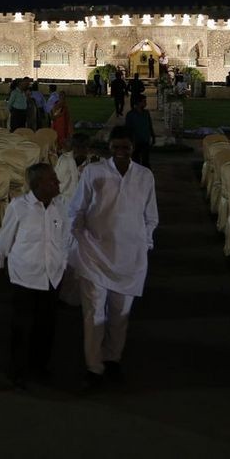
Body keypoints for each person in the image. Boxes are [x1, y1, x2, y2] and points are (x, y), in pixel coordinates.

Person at [70, 126, 158, 389]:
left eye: (125, 148)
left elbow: (150, 216)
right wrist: (75, 244)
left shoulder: (144, 176)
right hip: (94, 253)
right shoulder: (93, 172)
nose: (121, 152)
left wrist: (145, 243)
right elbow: (76, 210)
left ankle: (113, 359)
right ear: (108, 147)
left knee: (120, 314)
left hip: (129, 257)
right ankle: (94, 367)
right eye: (116, 147)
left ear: (133, 148)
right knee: (94, 314)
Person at [0, 162, 70, 388]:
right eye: (52, 179)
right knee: (22, 326)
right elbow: (5, 237)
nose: (57, 182)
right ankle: (18, 369)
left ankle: (40, 366)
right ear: (38, 185)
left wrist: (63, 263)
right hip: (25, 276)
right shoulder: (19, 207)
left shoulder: (61, 206)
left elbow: (65, 238)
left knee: (46, 326)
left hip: (51, 276)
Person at [55, 133, 94, 203]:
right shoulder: (65, 160)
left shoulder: (90, 161)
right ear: (75, 147)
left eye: (88, 147)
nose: (88, 150)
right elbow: (58, 184)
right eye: (84, 147)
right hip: (65, 201)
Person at [124, 95, 155, 167]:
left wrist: (153, 136)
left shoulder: (146, 113)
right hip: (135, 141)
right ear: (138, 103)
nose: (145, 103)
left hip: (145, 140)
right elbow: (128, 129)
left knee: (146, 161)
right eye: (144, 101)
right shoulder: (130, 115)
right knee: (135, 162)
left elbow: (149, 125)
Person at [49, 86, 71, 150]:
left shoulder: (64, 105)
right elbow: (52, 112)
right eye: (60, 96)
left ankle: (60, 148)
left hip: (62, 123)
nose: (61, 97)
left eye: (62, 96)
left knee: (61, 136)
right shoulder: (57, 104)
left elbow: (66, 116)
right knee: (57, 136)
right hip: (57, 123)